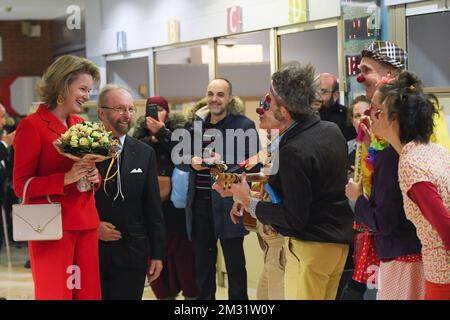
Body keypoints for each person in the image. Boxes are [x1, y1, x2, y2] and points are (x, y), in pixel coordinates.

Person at [223, 64, 354, 300]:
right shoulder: (331, 130)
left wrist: (247, 200)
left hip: (310, 247)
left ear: (285, 109)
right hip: (338, 245)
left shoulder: (294, 149)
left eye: (270, 101)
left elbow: (294, 217)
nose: (265, 107)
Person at [148, 78, 259, 299]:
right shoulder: (194, 125)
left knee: (235, 267)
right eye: (210, 93)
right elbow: (179, 158)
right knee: (202, 268)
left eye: (220, 94)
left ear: (229, 98)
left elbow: (254, 161)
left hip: (229, 204)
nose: (214, 99)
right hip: (199, 205)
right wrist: (192, 161)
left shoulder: (244, 125)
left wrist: (222, 163)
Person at [13, 55, 102, 300]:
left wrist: (95, 175)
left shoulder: (81, 124)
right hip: (50, 226)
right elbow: (21, 186)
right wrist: (65, 178)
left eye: (89, 90)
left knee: (88, 294)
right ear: (63, 86)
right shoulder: (32, 126)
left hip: (86, 222)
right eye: (82, 89)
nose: (87, 96)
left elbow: (92, 172)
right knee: (57, 294)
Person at [369, 71, 450, 300]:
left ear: (394, 120)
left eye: (379, 112)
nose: (373, 116)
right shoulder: (435, 150)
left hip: (442, 275)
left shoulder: (411, 164)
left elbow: (446, 228)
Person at [345, 81, 425, 300]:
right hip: (415, 255)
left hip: (403, 259)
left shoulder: (392, 159)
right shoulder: (413, 148)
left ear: (393, 116)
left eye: (375, 110)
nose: (370, 116)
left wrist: (357, 199)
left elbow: (384, 222)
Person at [95, 84, 165, 300]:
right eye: (119, 109)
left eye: (131, 109)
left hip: (132, 251)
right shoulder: (83, 150)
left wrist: (157, 254)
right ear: (101, 113)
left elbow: (152, 207)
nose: (127, 115)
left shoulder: (144, 153)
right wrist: (91, 227)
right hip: (93, 251)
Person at [133, 95, 198, 300]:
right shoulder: (138, 136)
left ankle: (190, 294)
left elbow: (185, 156)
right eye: (151, 110)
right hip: (151, 204)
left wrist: (162, 134)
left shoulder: (179, 131)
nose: (155, 113)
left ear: (168, 112)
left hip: (176, 204)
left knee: (182, 254)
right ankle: (164, 294)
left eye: (160, 109)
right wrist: (149, 139)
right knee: (154, 250)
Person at [357, 40, 450, 149]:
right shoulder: (376, 113)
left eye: (366, 70)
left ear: (389, 73)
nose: (359, 78)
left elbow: (439, 158)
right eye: (360, 71)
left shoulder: (418, 107)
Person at [317, 73, 356, 141]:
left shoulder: (346, 116)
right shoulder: (304, 115)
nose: (316, 96)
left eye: (323, 91)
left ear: (335, 95)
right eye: (314, 90)